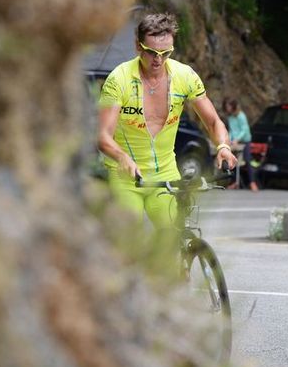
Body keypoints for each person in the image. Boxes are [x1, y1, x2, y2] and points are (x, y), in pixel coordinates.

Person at [97, 12, 237, 230]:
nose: (158, 60)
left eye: (166, 53)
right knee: (129, 233)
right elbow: (103, 135)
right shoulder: (119, 79)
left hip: (165, 174)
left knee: (174, 234)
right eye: (152, 52)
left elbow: (213, 122)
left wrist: (223, 146)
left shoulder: (185, 76)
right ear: (138, 47)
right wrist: (121, 156)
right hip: (127, 176)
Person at [222, 98, 259, 191]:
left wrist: (237, 139)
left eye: (229, 106)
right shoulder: (230, 117)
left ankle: (252, 183)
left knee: (247, 160)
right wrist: (229, 140)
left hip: (245, 141)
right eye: (226, 106)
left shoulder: (241, 116)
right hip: (235, 142)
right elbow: (231, 131)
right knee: (231, 160)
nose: (227, 108)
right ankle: (234, 182)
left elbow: (244, 130)